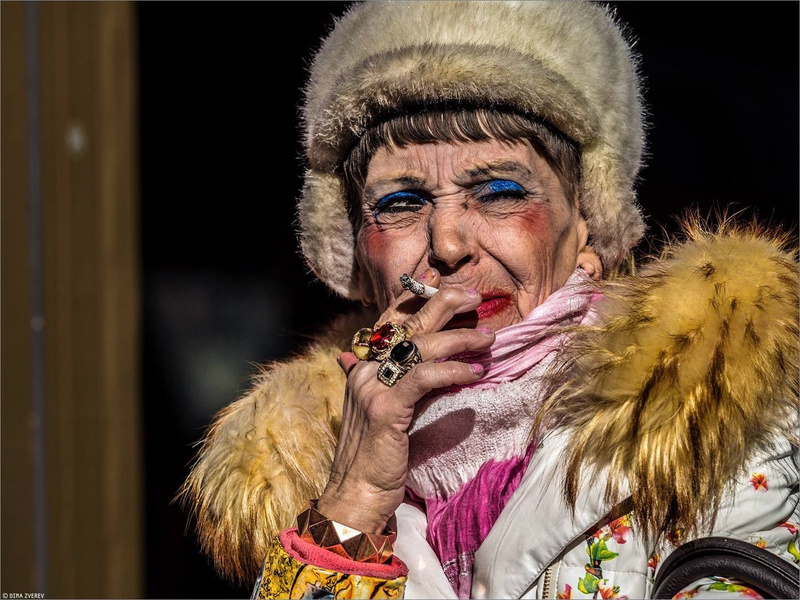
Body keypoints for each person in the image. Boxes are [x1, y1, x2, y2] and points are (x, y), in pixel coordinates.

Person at [181, 3, 799, 598]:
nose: (448, 245)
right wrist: (355, 498)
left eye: (500, 192)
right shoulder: (311, 477)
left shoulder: (721, 427)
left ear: (587, 229)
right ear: (362, 266)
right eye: (401, 203)